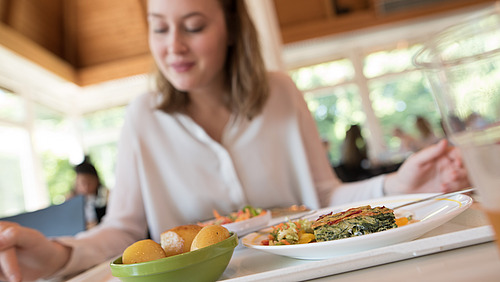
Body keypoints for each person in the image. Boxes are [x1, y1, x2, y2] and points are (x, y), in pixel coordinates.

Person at [0, 0, 471, 281]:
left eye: (194, 26)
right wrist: (56, 253)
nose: (173, 46)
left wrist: (396, 183)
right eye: (159, 26)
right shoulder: (144, 117)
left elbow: (325, 196)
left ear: (230, 27)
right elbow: (124, 233)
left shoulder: (281, 93)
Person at [67, 156, 108, 229]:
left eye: (89, 183)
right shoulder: (71, 200)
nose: (86, 187)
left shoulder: (105, 196)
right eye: (83, 183)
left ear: (96, 181)